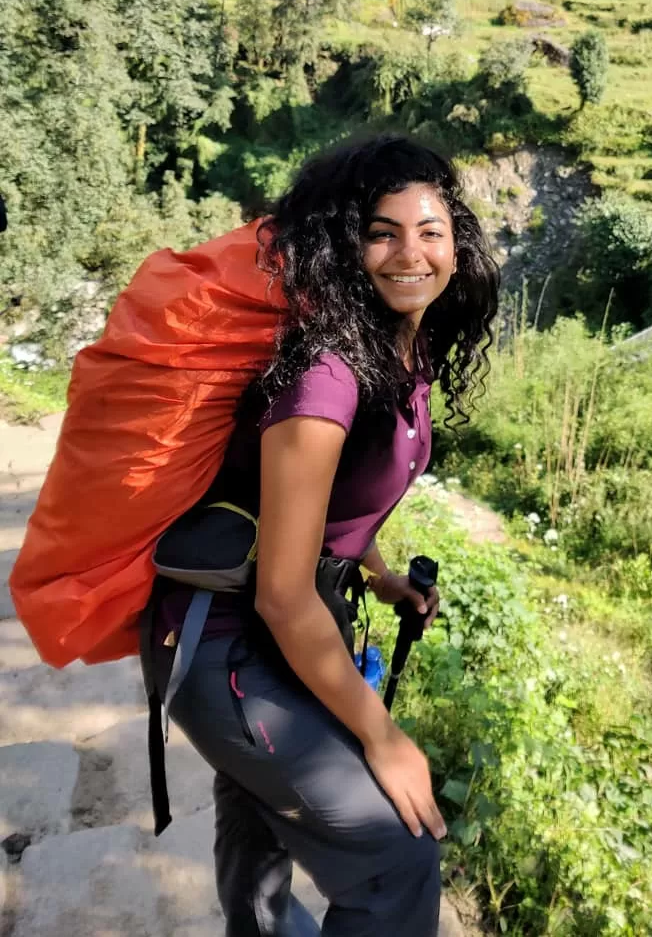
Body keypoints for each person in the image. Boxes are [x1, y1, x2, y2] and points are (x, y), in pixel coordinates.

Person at [145, 133, 500, 937]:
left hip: (277, 631)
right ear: (345, 245)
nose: (410, 253)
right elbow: (280, 592)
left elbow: (324, 504)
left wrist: (376, 574)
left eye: (430, 230)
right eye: (382, 231)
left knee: (257, 817)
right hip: (231, 645)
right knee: (397, 862)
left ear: (458, 244)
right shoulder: (326, 376)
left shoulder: (397, 354)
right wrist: (383, 737)